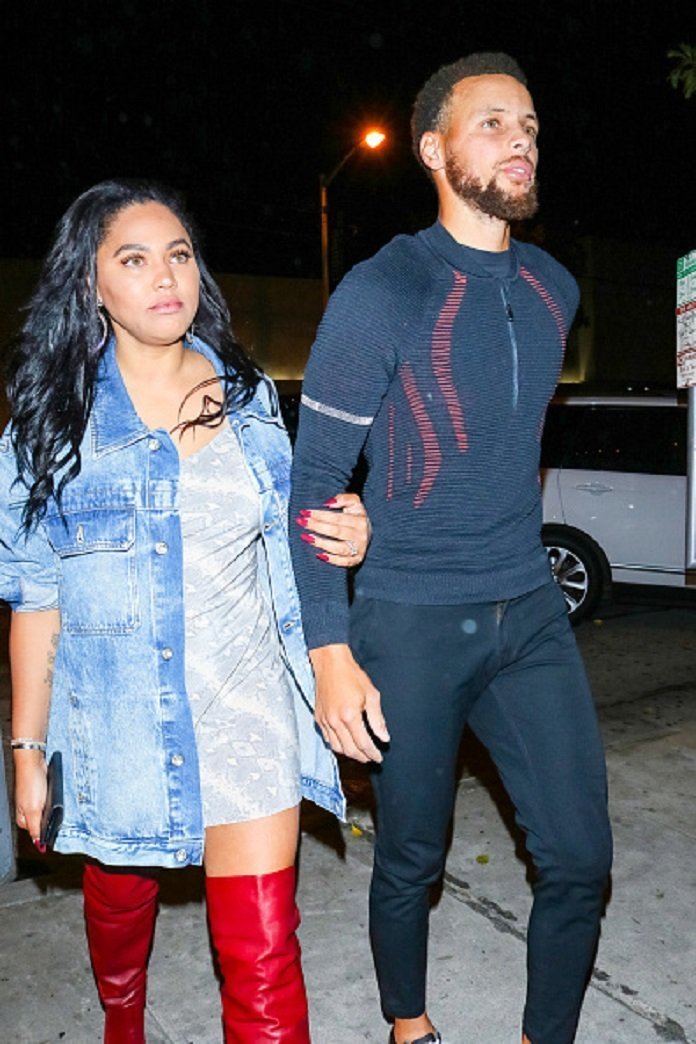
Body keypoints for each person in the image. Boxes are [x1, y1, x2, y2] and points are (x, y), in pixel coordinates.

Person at [0, 179, 372, 1044]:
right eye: (133, 259)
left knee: (265, 954)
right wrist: (26, 750)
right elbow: (36, 600)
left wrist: (346, 530)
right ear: (92, 286)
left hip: (248, 706)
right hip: (122, 719)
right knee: (119, 901)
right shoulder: (49, 430)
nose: (165, 276)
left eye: (179, 254)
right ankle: (121, 1018)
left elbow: (293, 535)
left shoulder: (249, 402)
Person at [289, 52, 613, 1044]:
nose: (520, 140)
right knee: (412, 858)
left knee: (580, 860)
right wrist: (331, 652)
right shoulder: (385, 291)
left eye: (530, 126)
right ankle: (409, 1026)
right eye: (493, 123)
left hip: (528, 612)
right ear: (434, 150)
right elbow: (312, 488)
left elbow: (499, 453)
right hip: (411, 620)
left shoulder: (555, 287)